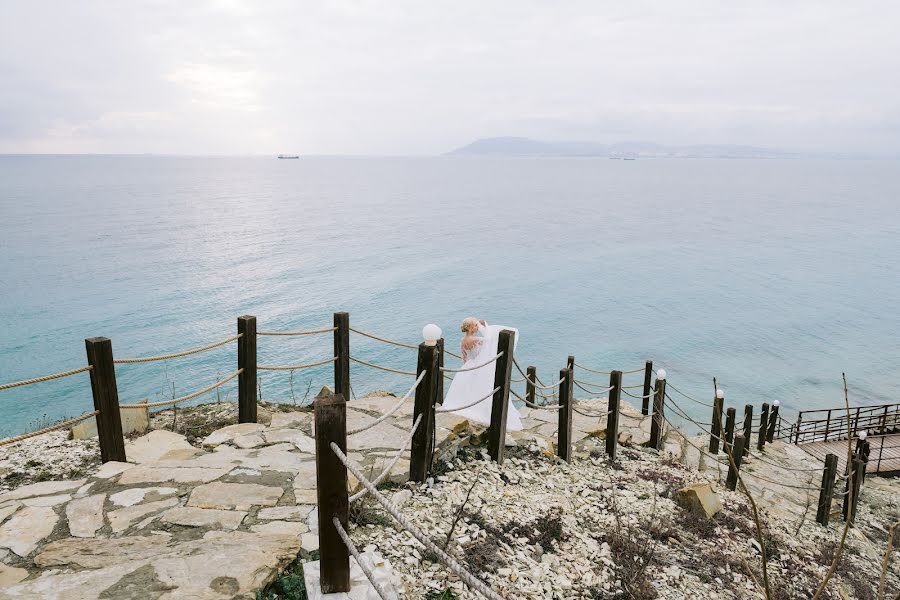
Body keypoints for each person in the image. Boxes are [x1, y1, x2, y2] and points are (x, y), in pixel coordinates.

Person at [440, 317, 523, 430]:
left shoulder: (463, 341)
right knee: (483, 390)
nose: (477, 327)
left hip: (468, 367)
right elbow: (491, 342)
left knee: (468, 391)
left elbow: (464, 358)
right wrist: (486, 328)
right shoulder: (476, 340)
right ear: (470, 328)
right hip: (479, 367)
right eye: (475, 325)